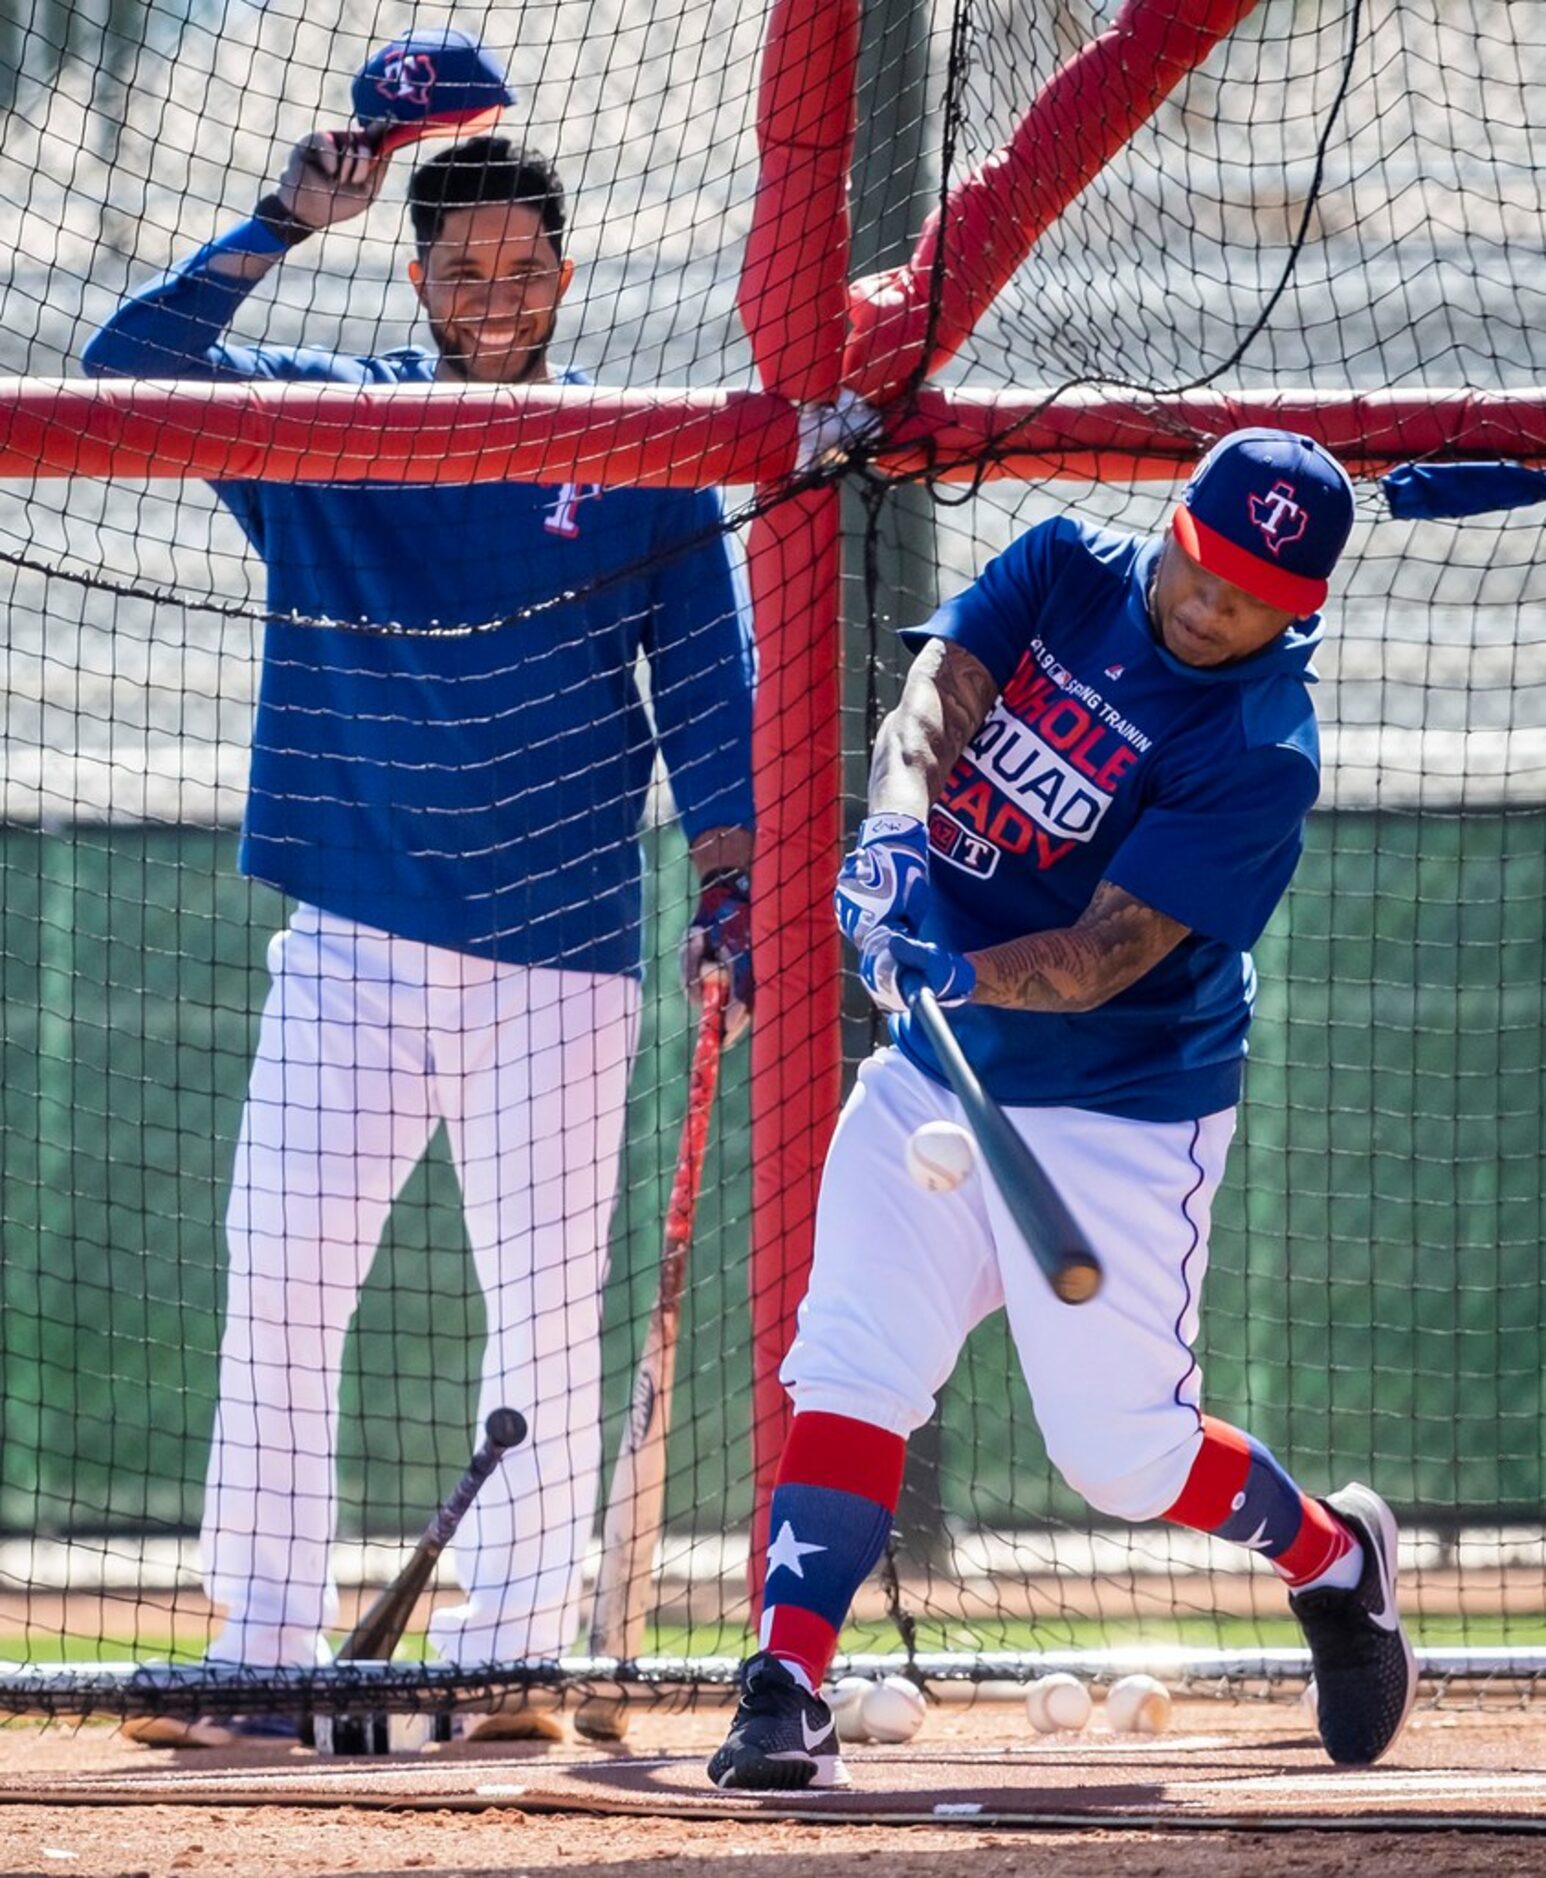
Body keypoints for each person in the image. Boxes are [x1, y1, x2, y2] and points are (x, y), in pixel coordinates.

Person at [85, 121, 756, 1743]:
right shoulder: (331, 424)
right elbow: (123, 369)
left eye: (527, 266)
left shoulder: (646, 447)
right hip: (353, 942)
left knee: (540, 1310)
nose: (500, 293)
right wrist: (280, 218)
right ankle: (259, 1654)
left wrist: (730, 893)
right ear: (420, 275)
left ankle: (512, 1657)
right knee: (283, 1279)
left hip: (562, 954)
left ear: (568, 273)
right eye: (467, 267)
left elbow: (714, 712)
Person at [708, 429, 1416, 1791]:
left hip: (1118, 1101)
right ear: (1172, 530)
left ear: (1297, 611)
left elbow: (1104, 954)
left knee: (1120, 1454)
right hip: (933, 1074)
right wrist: (892, 834)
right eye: (1202, 568)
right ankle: (784, 1678)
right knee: (852, 1356)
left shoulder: (1260, 748)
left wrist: (950, 966)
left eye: (1250, 597)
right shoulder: (1062, 568)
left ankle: (1332, 1555)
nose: (1211, 608)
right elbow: (932, 701)